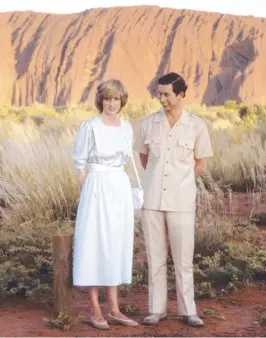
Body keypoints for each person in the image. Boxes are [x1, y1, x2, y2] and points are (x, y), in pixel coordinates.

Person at [134, 72, 213, 327]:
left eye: (167, 94)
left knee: (183, 258)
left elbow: (201, 163)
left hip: (182, 200)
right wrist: (157, 179)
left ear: (180, 94)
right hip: (152, 199)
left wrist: (182, 181)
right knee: (155, 257)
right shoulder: (148, 124)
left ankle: (188, 310)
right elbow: (144, 158)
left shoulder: (197, 126)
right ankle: (156, 310)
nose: (162, 99)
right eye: (159, 94)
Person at [72, 78, 139, 330]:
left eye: (117, 98)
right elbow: (79, 165)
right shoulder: (90, 126)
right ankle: (95, 309)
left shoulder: (127, 126)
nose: (112, 103)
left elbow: (127, 160)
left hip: (119, 186)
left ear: (123, 100)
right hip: (97, 186)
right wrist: (87, 193)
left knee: (116, 243)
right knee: (94, 242)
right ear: (101, 99)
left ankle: (115, 309)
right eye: (108, 98)